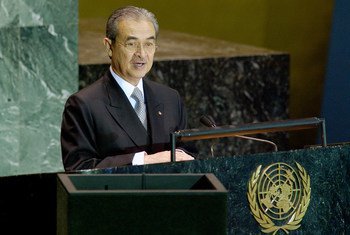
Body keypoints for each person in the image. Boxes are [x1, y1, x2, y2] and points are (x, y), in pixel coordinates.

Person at [60, 6, 194, 171]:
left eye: (149, 44)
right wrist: (141, 161)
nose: (142, 53)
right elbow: (79, 168)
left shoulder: (170, 98)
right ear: (109, 47)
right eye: (131, 44)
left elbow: (188, 153)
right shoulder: (83, 104)